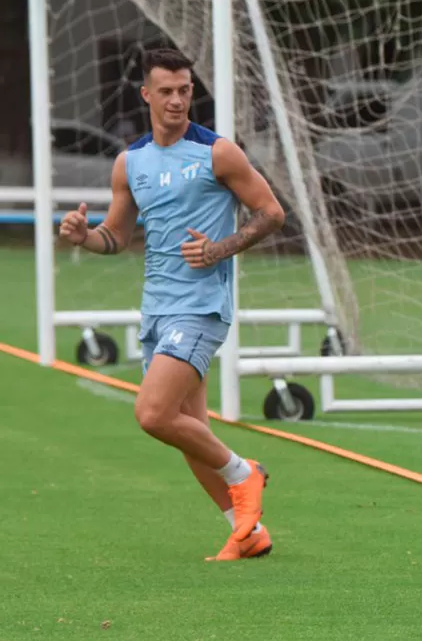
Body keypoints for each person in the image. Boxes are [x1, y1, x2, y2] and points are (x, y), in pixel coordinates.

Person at [58, 47, 285, 561]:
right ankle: (245, 532)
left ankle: (244, 473)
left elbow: (271, 213)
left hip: (201, 308)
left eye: (185, 90)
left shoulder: (218, 153)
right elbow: (115, 237)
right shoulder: (130, 161)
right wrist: (82, 237)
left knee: (153, 413)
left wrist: (219, 248)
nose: (178, 100)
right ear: (146, 95)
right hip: (157, 309)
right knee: (189, 431)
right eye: (166, 91)